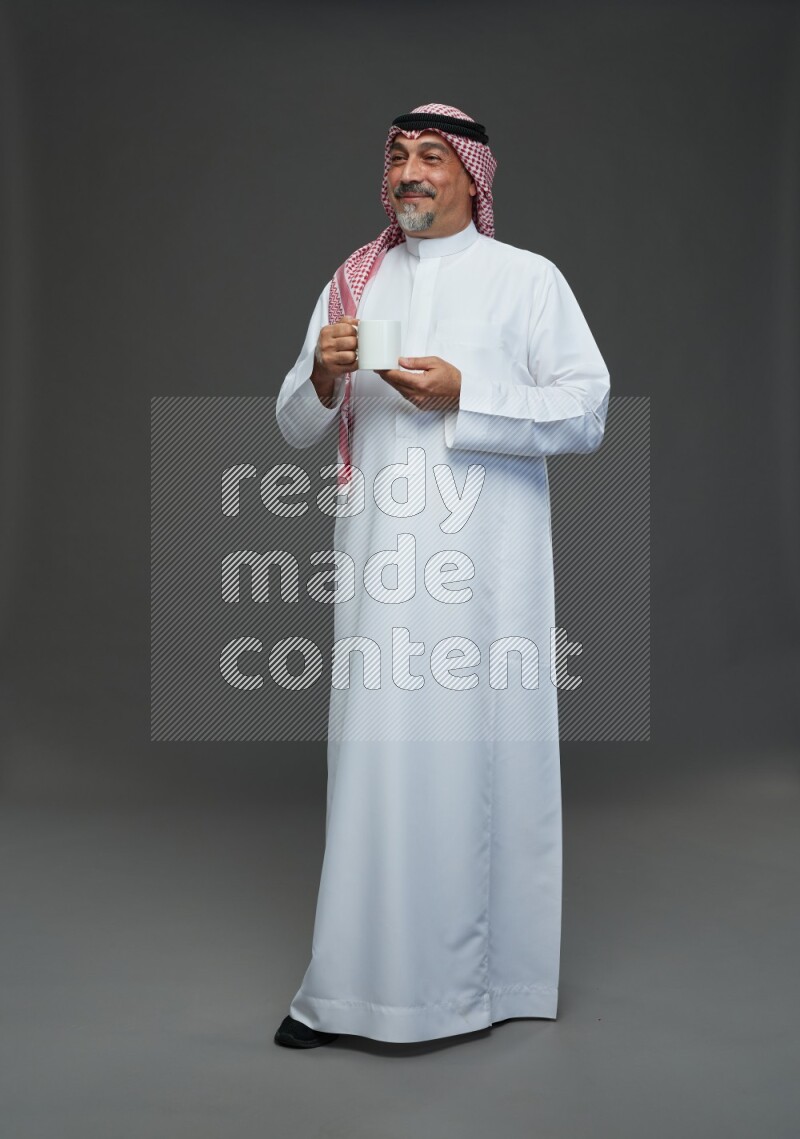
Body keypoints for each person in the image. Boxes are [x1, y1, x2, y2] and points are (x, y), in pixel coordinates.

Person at [273, 103, 610, 1049]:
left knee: (472, 762)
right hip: (380, 565)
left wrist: (471, 394)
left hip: (487, 572)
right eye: (397, 158)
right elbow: (295, 422)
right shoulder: (354, 281)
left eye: (431, 157)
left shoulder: (526, 281)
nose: (410, 173)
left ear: (474, 175)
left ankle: (480, 986)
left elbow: (587, 412)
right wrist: (327, 378)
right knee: (376, 764)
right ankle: (348, 991)